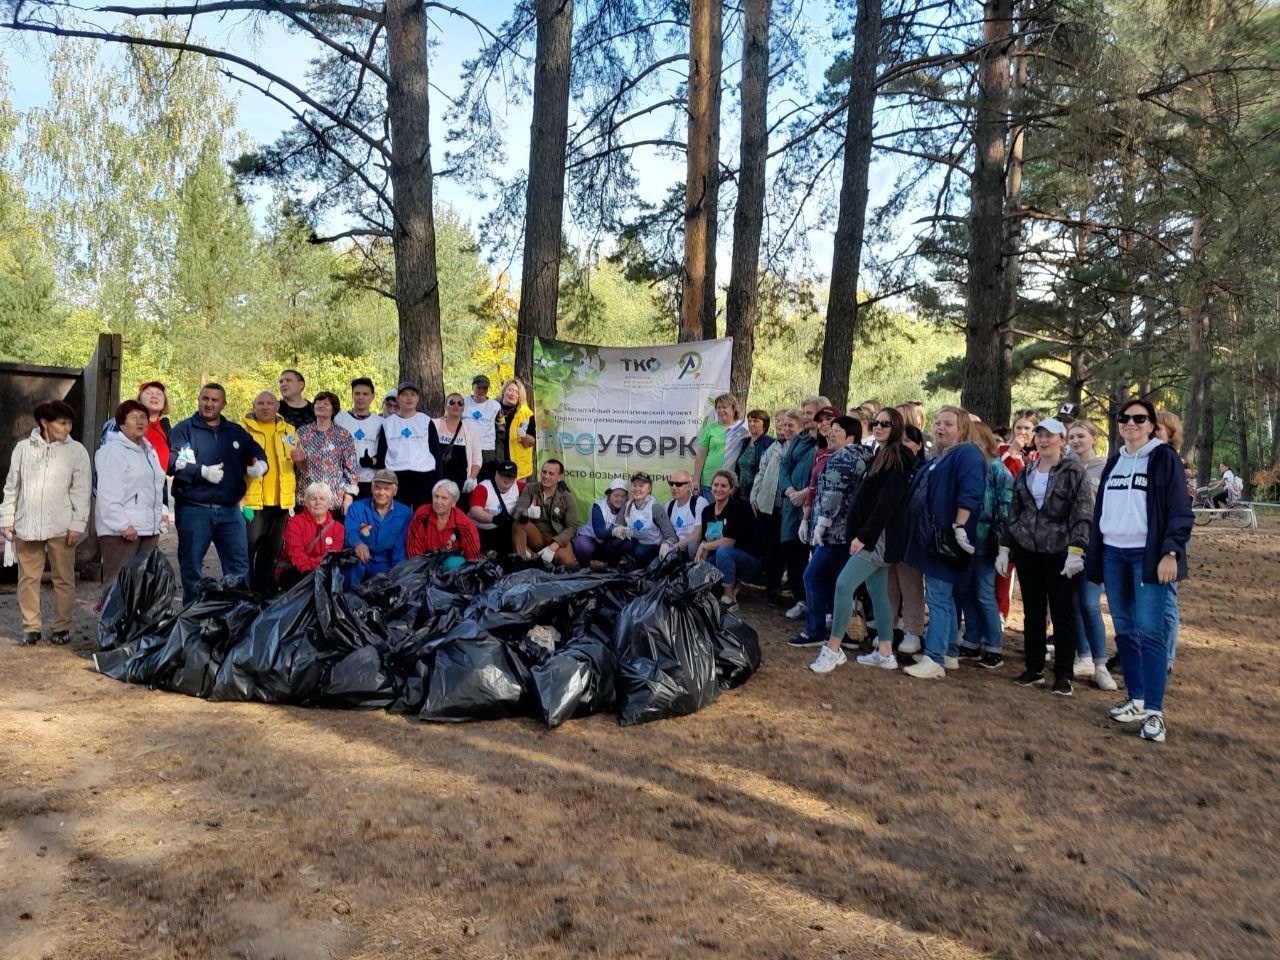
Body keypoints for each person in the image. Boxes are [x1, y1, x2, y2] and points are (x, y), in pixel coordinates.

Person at [1087, 398, 1192, 743]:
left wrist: (1170, 552)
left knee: (1150, 632)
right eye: (1124, 418)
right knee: (1126, 630)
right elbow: (1103, 508)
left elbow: (1179, 509)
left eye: (1139, 418)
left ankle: (1155, 712)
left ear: (1150, 424)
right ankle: (1136, 698)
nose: (1130, 423)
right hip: (1114, 554)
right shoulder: (1116, 461)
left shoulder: (1163, 459)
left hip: (1147, 557)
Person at [811, 407, 915, 672]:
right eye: (876, 423)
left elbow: (887, 504)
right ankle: (885, 652)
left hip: (878, 538)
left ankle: (833, 649)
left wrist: (864, 537)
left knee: (844, 585)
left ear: (897, 429)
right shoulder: (880, 454)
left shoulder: (898, 457)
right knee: (878, 592)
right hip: (872, 535)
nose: (878, 427)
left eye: (885, 424)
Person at [996, 418, 1094, 695]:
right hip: (1028, 551)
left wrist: (1077, 550)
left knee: (1062, 613)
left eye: (1050, 435)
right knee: (1033, 613)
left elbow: (1082, 512)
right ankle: (1033, 668)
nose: (1043, 439)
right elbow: (1013, 512)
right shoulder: (1026, 471)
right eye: (1040, 435)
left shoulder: (1074, 472)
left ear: (1062, 440)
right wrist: (1005, 548)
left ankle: (1064, 674)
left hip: (1061, 553)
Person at [901, 406, 988, 680]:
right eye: (937, 423)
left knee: (937, 598)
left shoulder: (967, 453)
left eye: (947, 424)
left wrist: (960, 526)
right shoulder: (942, 456)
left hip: (946, 537)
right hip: (932, 536)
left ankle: (934, 657)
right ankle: (949, 651)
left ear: (962, 427)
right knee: (944, 597)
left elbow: (971, 492)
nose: (940, 428)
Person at [1, 399, 91, 644]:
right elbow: (12, 487)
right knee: (27, 579)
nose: (67, 428)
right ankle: (31, 628)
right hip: (27, 525)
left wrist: (77, 525)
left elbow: (81, 491)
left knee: (64, 579)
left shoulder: (77, 451)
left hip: (62, 527)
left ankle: (61, 627)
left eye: (70, 423)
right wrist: (7, 520)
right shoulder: (23, 449)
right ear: (44, 423)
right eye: (62, 423)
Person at [168, 383, 268, 601]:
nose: (209, 404)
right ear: (199, 399)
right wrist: (201, 472)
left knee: (238, 567)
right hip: (194, 511)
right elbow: (174, 463)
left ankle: (238, 614)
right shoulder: (183, 430)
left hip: (230, 513)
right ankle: (192, 617)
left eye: (215, 400)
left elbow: (256, 451)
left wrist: (260, 465)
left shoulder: (235, 431)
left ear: (224, 403)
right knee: (192, 567)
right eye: (205, 398)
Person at [789, 416, 872, 650]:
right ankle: (844, 631)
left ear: (851, 436)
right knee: (838, 581)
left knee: (812, 576)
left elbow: (834, 491)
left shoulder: (845, 456)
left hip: (835, 533)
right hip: (849, 531)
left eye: (837, 430)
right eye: (831, 430)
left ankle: (814, 631)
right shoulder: (864, 455)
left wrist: (821, 523)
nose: (831, 434)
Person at [94, 400, 166, 604]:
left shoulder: (148, 450)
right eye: (134, 417)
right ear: (121, 423)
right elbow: (107, 494)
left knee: (142, 582)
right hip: (122, 531)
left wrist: (160, 512)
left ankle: (133, 630)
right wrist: (123, 524)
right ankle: (112, 630)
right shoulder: (113, 451)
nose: (140, 421)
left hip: (148, 528)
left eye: (143, 417)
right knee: (118, 583)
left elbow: (155, 485)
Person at [955, 422, 1013, 670]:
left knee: (983, 592)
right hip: (966, 539)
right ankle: (971, 638)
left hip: (987, 541)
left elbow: (1005, 510)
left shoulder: (999, 470)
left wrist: (1002, 546)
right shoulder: (967, 467)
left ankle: (993, 645)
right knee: (965, 590)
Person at [1067, 419, 1116, 689]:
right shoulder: (1066, 467)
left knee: (1088, 602)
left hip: (1094, 545)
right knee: (1073, 602)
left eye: (1081, 436)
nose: (1075, 441)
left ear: (1093, 438)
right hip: (1067, 544)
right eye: (1071, 437)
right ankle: (1082, 655)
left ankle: (1100, 663)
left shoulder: (1107, 466)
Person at [242, 391, 302, 595]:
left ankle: (265, 592)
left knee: (272, 551)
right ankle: (246, 592)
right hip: (252, 503)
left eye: (270, 403)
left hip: (282, 503)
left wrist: (302, 459)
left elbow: (302, 465)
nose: (265, 407)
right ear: (253, 405)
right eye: (260, 403)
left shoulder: (290, 432)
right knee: (248, 549)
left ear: (277, 406)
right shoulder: (242, 430)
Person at [695, 469, 759, 612]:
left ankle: (729, 598)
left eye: (723, 486)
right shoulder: (707, 511)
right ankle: (726, 584)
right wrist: (701, 558)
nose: (719, 489)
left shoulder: (738, 509)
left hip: (747, 560)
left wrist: (705, 545)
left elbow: (728, 542)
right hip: (719, 557)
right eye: (716, 485)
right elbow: (706, 539)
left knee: (723, 552)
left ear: (731, 489)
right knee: (700, 566)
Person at [749, 410, 794, 595]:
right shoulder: (774, 447)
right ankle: (772, 584)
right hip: (766, 504)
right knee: (769, 546)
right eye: (778, 422)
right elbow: (761, 471)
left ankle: (789, 584)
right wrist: (754, 495)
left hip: (787, 506)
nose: (780, 426)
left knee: (785, 546)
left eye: (784, 423)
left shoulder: (796, 447)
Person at [778, 407, 817, 620]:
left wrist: (805, 493)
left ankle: (816, 602)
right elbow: (783, 467)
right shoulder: (798, 441)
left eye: (811, 412)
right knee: (792, 550)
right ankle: (800, 599)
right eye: (805, 411)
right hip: (791, 503)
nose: (807, 415)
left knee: (813, 555)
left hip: (812, 504)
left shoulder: (824, 442)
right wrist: (791, 490)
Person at [378, 382, 441, 509]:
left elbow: (436, 453)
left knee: (423, 517)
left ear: (417, 398)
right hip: (397, 477)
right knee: (398, 518)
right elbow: (382, 454)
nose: (409, 398)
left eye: (412, 395)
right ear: (398, 398)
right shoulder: (388, 424)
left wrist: (438, 481)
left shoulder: (426, 421)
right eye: (405, 395)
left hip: (424, 476)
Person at [344, 469, 412, 586]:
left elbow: (400, 548)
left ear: (394, 491)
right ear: (371, 488)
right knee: (350, 570)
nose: (381, 492)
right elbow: (350, 532)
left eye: (386, 489)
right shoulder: (356, 507)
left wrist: (396, 573)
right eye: (378, 487)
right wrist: (357, 543)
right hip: (361, 561)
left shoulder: (405, 513)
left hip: (387, 564)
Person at [296, 391, 359, 515]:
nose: (321, 405)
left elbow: (351, 469)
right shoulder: (301, 433)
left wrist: (349, 496)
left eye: (326, 403)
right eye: (318, 403)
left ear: (333, 409)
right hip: (306, 498)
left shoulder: (343, 435)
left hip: (333, 499)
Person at [276, 482, 345, 589]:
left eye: (322, 499)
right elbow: (295, 552)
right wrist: (307, 571)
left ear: (329, 503)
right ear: (306, 503)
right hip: (296, 569)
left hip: (323, 570)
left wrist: (315, 569)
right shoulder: (294, 522)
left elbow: (332, 556)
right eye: (313, 499)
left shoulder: (338, 528)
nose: (318, 502)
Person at [512, 459, 578, 566]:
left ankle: (535, 557)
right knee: (518, 524)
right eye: (544, 472)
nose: (546, 476)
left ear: (560, 477)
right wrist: (527, 513)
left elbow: (571, 527)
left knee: (565, 560)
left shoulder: (567, 497)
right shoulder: (530, 488)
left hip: (557, 538)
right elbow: (517, 511)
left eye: (551, 473)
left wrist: (552, 548)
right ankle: (522, 561)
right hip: (537, 536)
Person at [100, 380, 172, 474]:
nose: (154, 396)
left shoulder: (166, 429)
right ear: (139, 400)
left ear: (164, 402)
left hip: (158, 487)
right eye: (149, 393)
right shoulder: (122, 423)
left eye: (159, 394)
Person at [407, 479, 482, 563]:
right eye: (436, 496)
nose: (438, 502)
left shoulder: (464, 523)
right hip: (424, 565)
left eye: (444, 498)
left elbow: (474, 556)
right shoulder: (422, 514)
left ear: (453, 503)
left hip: (453, 569)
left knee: (452, 563)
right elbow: (413, 549)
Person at [611, 472, 679, 565]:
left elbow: (672, 536)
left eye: (641, 486)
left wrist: (666, 545)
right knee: (617, 545)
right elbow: (617, 524)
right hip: (635, 542)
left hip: (652, 545)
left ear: (649, 489)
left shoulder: (655, 508)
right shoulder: (627, 505)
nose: (637, 489)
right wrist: (618, 529)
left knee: (639, 552)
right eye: (634, 485)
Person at [335, 377, 385, 500]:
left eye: (365, 394)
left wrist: (372, 461)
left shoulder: (381, 422)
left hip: (370, 481)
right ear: (352, 395)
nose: (360, 397)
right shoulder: (339, 419)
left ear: (372, 396)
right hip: (344, 481)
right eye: (357, 393)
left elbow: (384, 453)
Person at [468, 460, 525, 556]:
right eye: (504, 475)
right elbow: (475, 511)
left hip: (503, 531)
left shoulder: (518, 487)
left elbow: (535, 490)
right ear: (496, 474)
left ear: (515, 477)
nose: (507, 479)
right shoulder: (483, 488)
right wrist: (493, 518)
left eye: (510, 476)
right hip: (481, 531)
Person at [693, 393, 748, 493]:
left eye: (724, 407)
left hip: (730, 482)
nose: (720, 410)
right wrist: (696, 480)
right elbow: (701, 455)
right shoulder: (710, 428)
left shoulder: (744, 427)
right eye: (718, 407)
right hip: (709, 481)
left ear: (733, 409)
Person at [572, 478, 629, 566]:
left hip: (608, 545)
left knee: (626, 544)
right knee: (582, 545)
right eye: (616, 495)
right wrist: (614, 530)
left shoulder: (628, 506)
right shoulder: (599, 506)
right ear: (609, 495)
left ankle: (612, 567)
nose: (620, 499)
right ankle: (584, 567)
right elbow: (600, 532)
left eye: (623, 496)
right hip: (591, 539)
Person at [434, 392, 482, 494]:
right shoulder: (433, 425)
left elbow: (477, 460)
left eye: (460, 403)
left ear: (463, 408)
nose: (456, 405)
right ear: (445, 406)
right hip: (436, 483)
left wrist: (471, 479)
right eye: (452, 402)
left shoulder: (471, 431)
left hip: (461, 486)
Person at [495, 378, 535, 480]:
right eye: (510, 390)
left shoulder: (526, 414)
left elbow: (530, 443)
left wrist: (523, 436)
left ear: (520, 396)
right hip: (494, 464)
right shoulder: (491, 408)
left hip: (517, 469)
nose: (513, 394)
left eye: (516, 392)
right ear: (504, 391)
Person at [666, 469, 709, 559]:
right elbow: (665, 534)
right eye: (671, 483)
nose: (674, 487)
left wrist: (673, 547)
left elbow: (697, 535)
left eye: (678, 484)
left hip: (695, 548)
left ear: (689, 486)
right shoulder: (668, 506)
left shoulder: (699, 502)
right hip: (679, 547)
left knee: (692, 544)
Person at [734, 409, 774, 501]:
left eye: (756, 421)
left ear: (764, 424)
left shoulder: (770, 444)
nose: (751, 424)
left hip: (758, 497)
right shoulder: (744, 442)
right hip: (741, 495)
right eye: (750, 421)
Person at [464, 374, 502, 463]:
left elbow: (501, 431)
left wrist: (499, 457)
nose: (481, 390)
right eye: (479, 387)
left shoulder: (495, 406)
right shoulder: (463, 402)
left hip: (487, 449)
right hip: (466, 447)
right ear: (473, 387)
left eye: (484, 388)